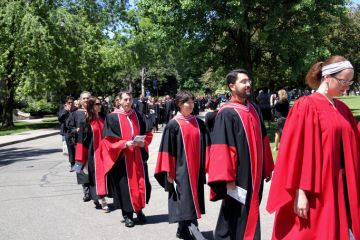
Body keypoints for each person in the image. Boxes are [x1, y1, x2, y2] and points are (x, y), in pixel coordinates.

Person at [266, 56, 360, 240]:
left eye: (350, 81)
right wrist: (301, 193)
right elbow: (298, 153)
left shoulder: (342, 108)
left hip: (342, 187)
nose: (347, 86)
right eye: (344, 81)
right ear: (327, 77)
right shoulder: (307, 105)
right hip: (318, 189)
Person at [207, 69, 274, 240]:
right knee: (238, 212)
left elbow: (264, 138)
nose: (248, 84)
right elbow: (222, 148)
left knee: (243, 211)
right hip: (238, 175)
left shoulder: (254, 109)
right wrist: (227, 178)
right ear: (232, 86)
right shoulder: (227, 113)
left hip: (255, 174)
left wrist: (267, 166)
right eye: (243, 82)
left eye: (248, 81)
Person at [155, 91, 210, 240]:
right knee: (185, 198)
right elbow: (167, 150)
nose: (192, 105)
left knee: (191, 198)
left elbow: (207, 146)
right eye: (188, 102)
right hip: (181, 169)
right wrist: (169, 172)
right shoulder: (173, 124)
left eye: (193, 102)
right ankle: (194, 228)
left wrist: (207, 165)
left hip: (196, 169)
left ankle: (182, 229)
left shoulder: (199, 123)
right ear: (180, 104)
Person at [100, 91, 153, 228]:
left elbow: (147, 133)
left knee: (141, 185)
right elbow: (107, 140)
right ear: (119, 101)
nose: (128, 102)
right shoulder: (112, 118)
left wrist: (144, 142)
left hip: (138, 158)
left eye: (129, 99)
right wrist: (124, 144)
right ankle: (127, 215)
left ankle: (139, 210)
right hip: (122, 159)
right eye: (125, 99)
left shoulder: (138, 116)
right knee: (125, 188)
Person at [73, 96, 109, 212]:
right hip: (92, 153)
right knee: (95, 176)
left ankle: (97, 197)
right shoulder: (86, 121)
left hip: (105, 153)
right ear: (91, 106)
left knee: (103, 176)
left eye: (100, 104)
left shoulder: (104, 119)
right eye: (96, 104)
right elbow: (81, 141)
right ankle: (102, 199)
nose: (99, 106)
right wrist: (80, 159)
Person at [67, 91, 92, 202]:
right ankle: (86, 192)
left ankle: (95, 191)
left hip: (93, 145)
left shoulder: (95, 112)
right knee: (80, 169)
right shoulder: (76, 113)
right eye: (84, 98)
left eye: (88, 98)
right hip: (80, 145)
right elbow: (69, 127)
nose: (86, 100)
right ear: (80, 100)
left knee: (92, 168)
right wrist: (75, 130)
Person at [58, 96, 77, 171]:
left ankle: (78, 163)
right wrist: (66, 111)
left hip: (75, 131)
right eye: (68, 102)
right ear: (65, 103)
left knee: (77, 148)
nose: (70, 104)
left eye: (71, 102)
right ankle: (72, 164)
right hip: (67, 132)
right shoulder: (63, 110)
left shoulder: (76, 110)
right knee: (70, 148)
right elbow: (60, 119)